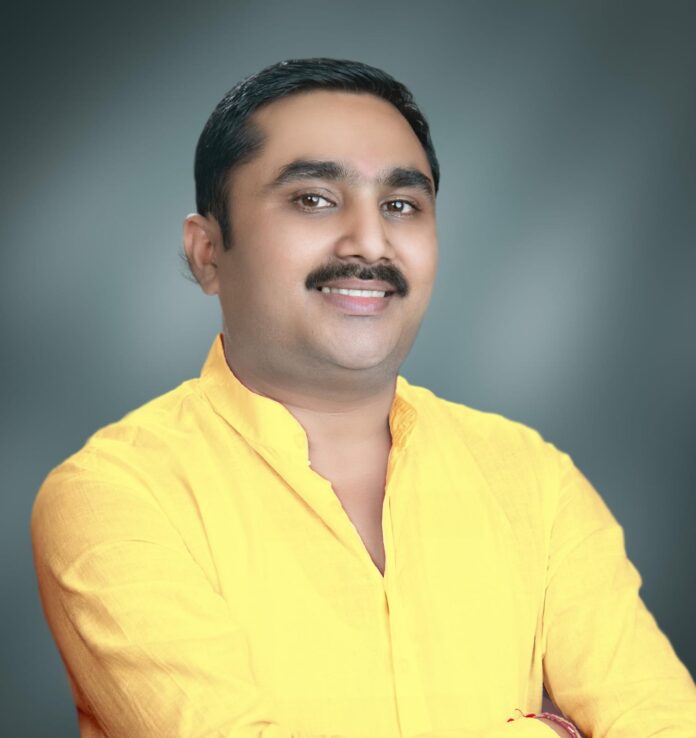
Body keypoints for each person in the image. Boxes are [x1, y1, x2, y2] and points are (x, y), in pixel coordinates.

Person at [31, 57, 696, 738]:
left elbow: (663, 722)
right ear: (208, 253)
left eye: (401, 205)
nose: (370, 242)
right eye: (314, 199)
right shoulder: (117, 494)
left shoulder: (532, 479)